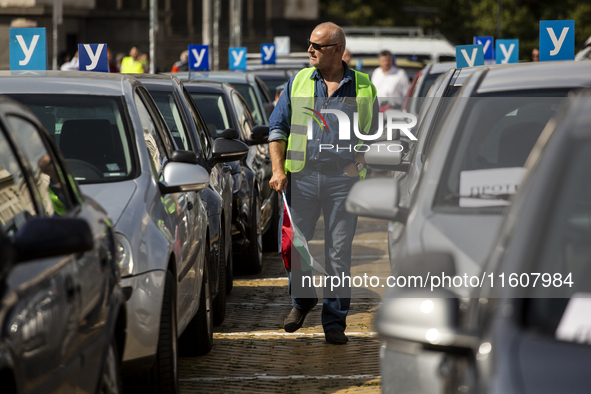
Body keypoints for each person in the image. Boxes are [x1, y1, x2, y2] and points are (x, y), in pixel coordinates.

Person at [268, 22, 377, 345]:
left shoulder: (363, 86)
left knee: (338, 253)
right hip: (300, 179)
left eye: (317, 45)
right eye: (309, 44)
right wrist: (278, 170)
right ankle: (302, 301)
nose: (310, 50)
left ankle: (334, 322)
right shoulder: (299, 81)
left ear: (337, 51)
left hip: (341, 181)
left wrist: (357, 165)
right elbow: (278, 129)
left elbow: (375, 136)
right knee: (291, 246)